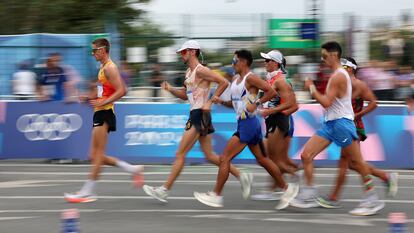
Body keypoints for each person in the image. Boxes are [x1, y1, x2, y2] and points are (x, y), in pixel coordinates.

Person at [143, 40, 252, 203]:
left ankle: (164, 190)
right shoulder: (189, 72)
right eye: (181, 52)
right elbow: (185, 95)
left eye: (183, 52)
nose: (181, 55)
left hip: (199, 114)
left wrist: (210, 101)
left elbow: (224, 82)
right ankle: (241, 175)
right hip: (198, 114)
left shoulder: (201, 70)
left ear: (192, 52)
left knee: (180, 153)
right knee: (209, 155)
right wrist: (171, 89)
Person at [193, 49, 299, 209]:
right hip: (248, 124)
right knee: (263, 160)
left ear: (243, 62)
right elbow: (235, 104)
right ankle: (286, 188)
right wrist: (220, 101)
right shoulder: (236, 80)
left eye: (235, 61)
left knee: (224, 158)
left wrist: (256, 104)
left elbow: (271, 91)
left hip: (248, 124)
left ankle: (216, 195)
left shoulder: (251, 78)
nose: (232, 64)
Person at [290, 41, 384, 216]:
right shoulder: (337, 75)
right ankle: (309, 192)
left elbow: (326, 102)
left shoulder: (339, 76)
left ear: (334, 55)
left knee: (356, 163)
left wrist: (310, 86)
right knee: (306, 155)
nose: (322, 59)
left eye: (324, 56)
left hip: (341, 124)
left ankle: (372, 198)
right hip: (330, 124)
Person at [64, 38, 144, 203]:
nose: (92, 54)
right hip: (99, 112)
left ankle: (87, 192)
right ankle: (132, 169)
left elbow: (123, 90)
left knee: (98, 155)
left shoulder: (110, 68)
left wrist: (103, 102)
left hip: (105, 113)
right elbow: (104, 91)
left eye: (94, 51)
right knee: (93, 155)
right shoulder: (103, 68)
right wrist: (88, 97)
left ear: (102, 50)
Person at [315, 57, 398, 208]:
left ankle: (334, 198)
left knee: (345, 163)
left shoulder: (358, 84)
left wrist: (357, 115)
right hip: (342, 125)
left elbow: (374, 103)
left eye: (344, 66)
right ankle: (385, 176)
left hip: (352, 126)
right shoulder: (340, 81)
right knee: (353, 164)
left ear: (351, 69)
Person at [251, 50, 299, 201]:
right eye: (265, 61)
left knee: (272, 159)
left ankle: (297, 179)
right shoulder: (271, 79)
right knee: (272, 158)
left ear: (276, 63)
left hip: (278, 121)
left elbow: (292, 104)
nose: (265, 63)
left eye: (268, 61)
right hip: (272, 120)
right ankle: (273, 189)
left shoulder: (280, 81)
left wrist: (271, 110)